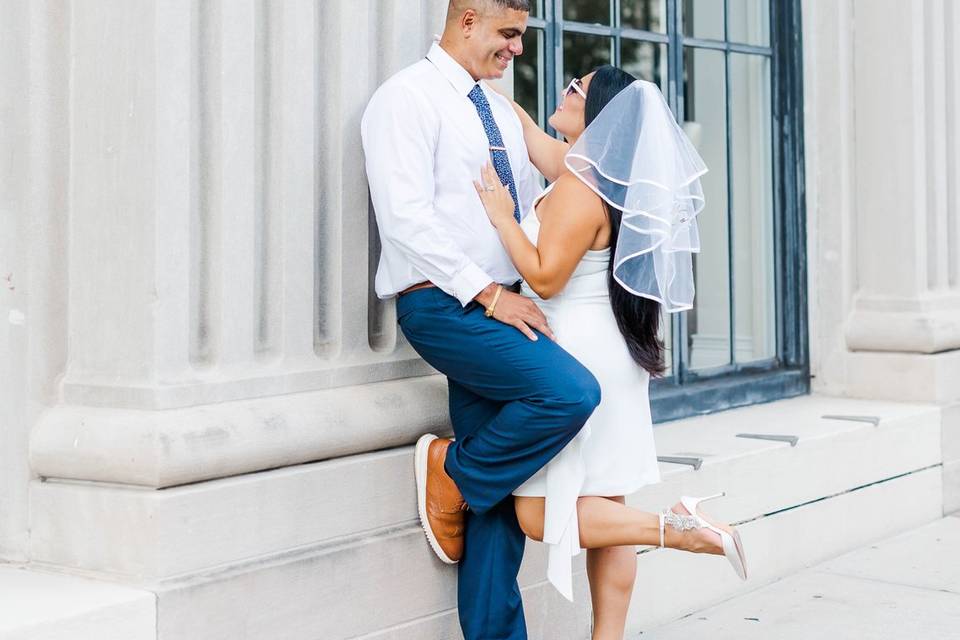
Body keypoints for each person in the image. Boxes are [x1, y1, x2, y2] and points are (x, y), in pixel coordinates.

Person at [472, 66, 749, 639]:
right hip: (612, 355)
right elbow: (534, 139)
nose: (566, 88)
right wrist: (483, 88)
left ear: (600, 116)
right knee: (609, 510)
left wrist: (503, 219)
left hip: (579, 354)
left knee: (535, 512)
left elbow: (546, 278)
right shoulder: (597, 175)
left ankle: (680, 528)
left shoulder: (581, 187)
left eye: (577, 89)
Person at [360, 2, 602, 639]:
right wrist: (492, 296)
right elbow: (406, 220)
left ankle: (470, 498)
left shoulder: (498, 111)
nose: (519, 50)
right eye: (510, 35)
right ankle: (452, 472)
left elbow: (540, 199)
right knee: (570, 392)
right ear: (467, 19)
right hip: (446, 306)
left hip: (509, 308)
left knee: (495, 509)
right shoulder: (405, 99)